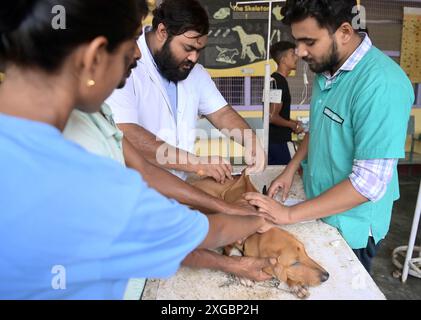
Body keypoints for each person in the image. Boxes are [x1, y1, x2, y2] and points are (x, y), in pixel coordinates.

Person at [0, 0, 273, 299]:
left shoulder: (91, 116)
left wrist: (228, 196)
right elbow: (192, 232)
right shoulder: (94, 184)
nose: (137, 53)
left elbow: (145, 172)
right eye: (131, 40)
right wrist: (260, 219)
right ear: (93, 58)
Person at [244, 0, 414, 273]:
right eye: (297, 41)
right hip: (316, 207)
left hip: (350, 223)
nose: (299, 52)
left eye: (309, 41)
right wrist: (291, 168)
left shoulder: (381, 85)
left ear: (344, 32)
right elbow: (319, 129)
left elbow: (368, 184)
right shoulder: (328, 73)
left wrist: (288, 214)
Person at [105, 0, 266, 183]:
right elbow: (126, 133)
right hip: (134, 189)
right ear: (162, 32)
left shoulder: (194, 73)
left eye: (199, 51)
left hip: (177, 189)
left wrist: (251, 140)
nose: (194, 58)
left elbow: (221, 113)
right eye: (188, 48)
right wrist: (196, 163)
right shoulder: (127, 65)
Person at [268, 41, 303, 165]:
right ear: (283, 59)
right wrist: (291, 125)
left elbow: (274, 114)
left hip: (273, 142)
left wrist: (292, 122)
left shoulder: (274, 80)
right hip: (279, 143)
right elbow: (271, 117)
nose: (296, 58)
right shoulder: (278, 82)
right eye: (292, 54)